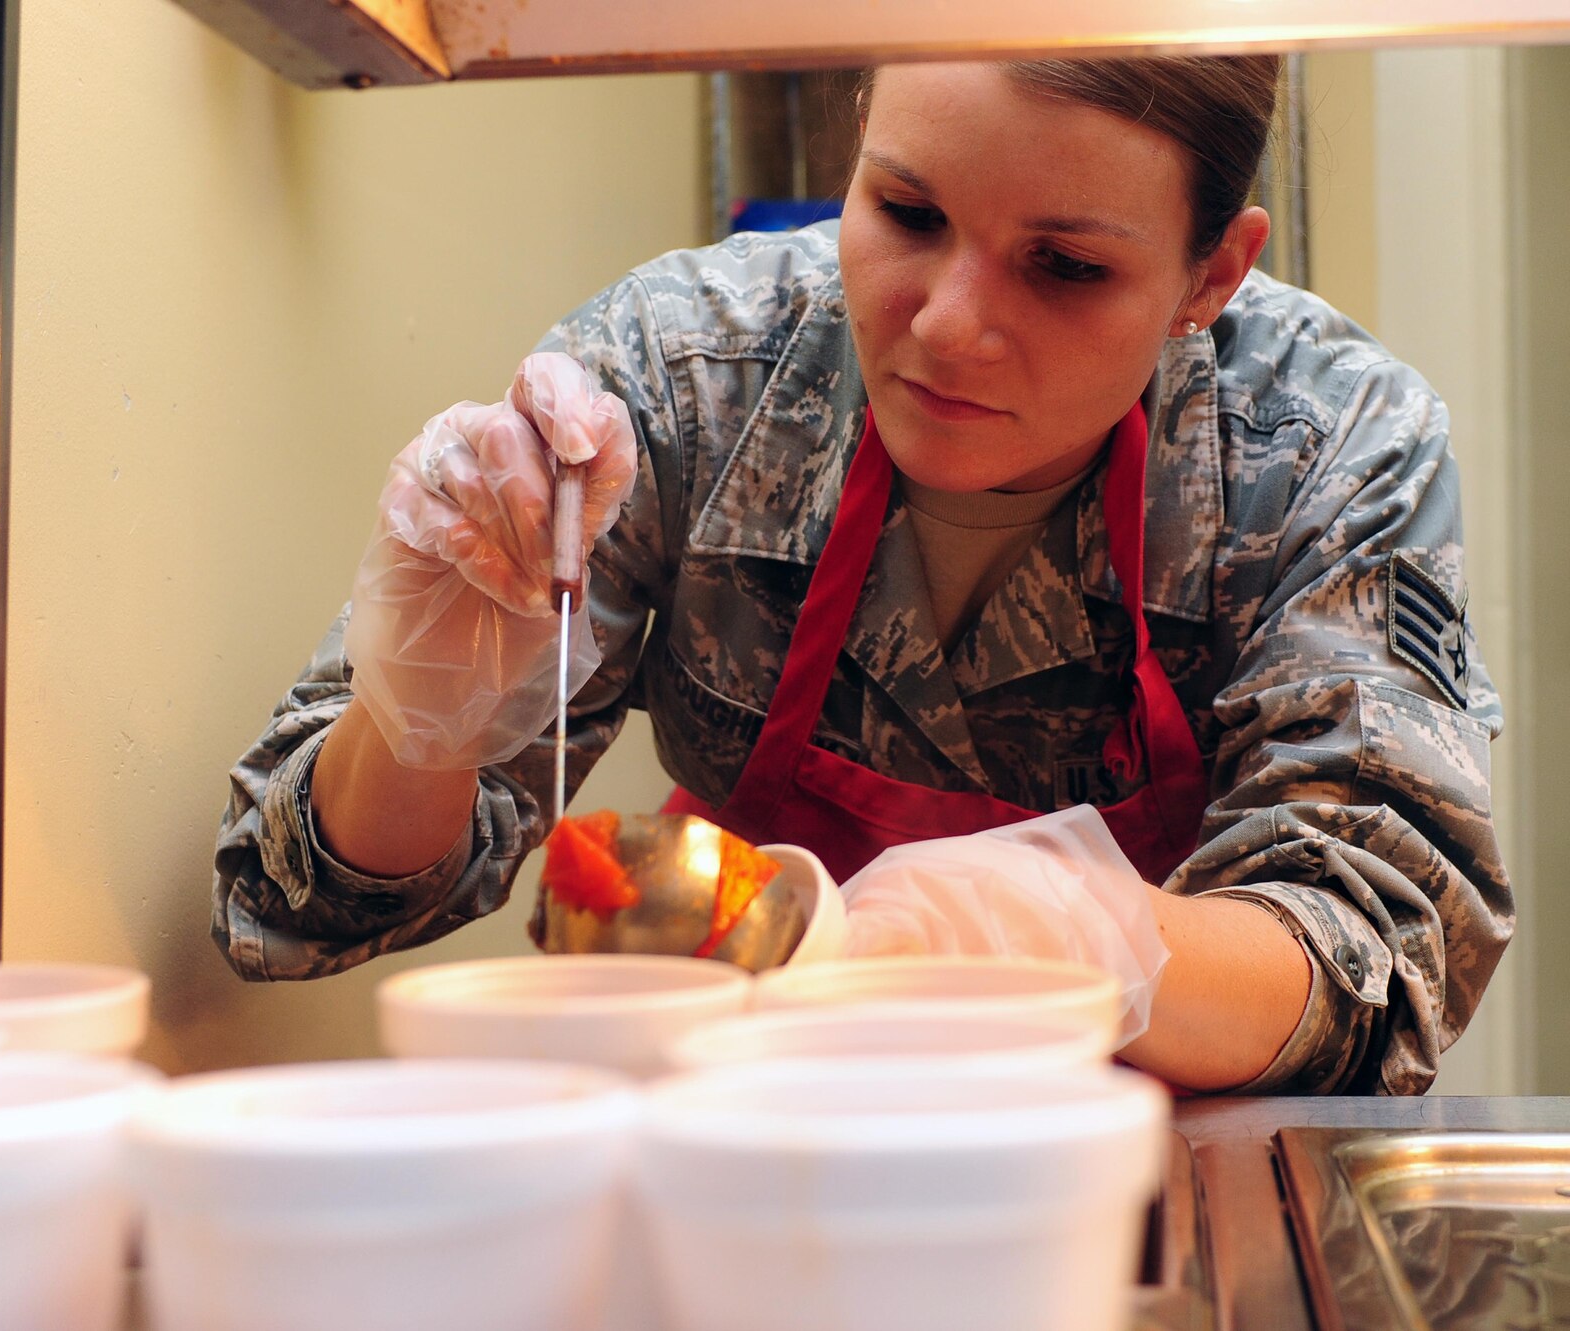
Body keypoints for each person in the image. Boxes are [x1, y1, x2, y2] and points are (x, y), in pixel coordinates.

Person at [212, 55, 1513, 1095]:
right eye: (907, 211)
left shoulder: (1328, 445)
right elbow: (297, 907)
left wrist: (1065, 943)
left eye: (1065, 267)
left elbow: (1381, 953)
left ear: (1212, 272)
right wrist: (419, 723)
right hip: (748, 1140)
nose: (947, 323)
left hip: (1127, 1176)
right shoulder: (688, 378)